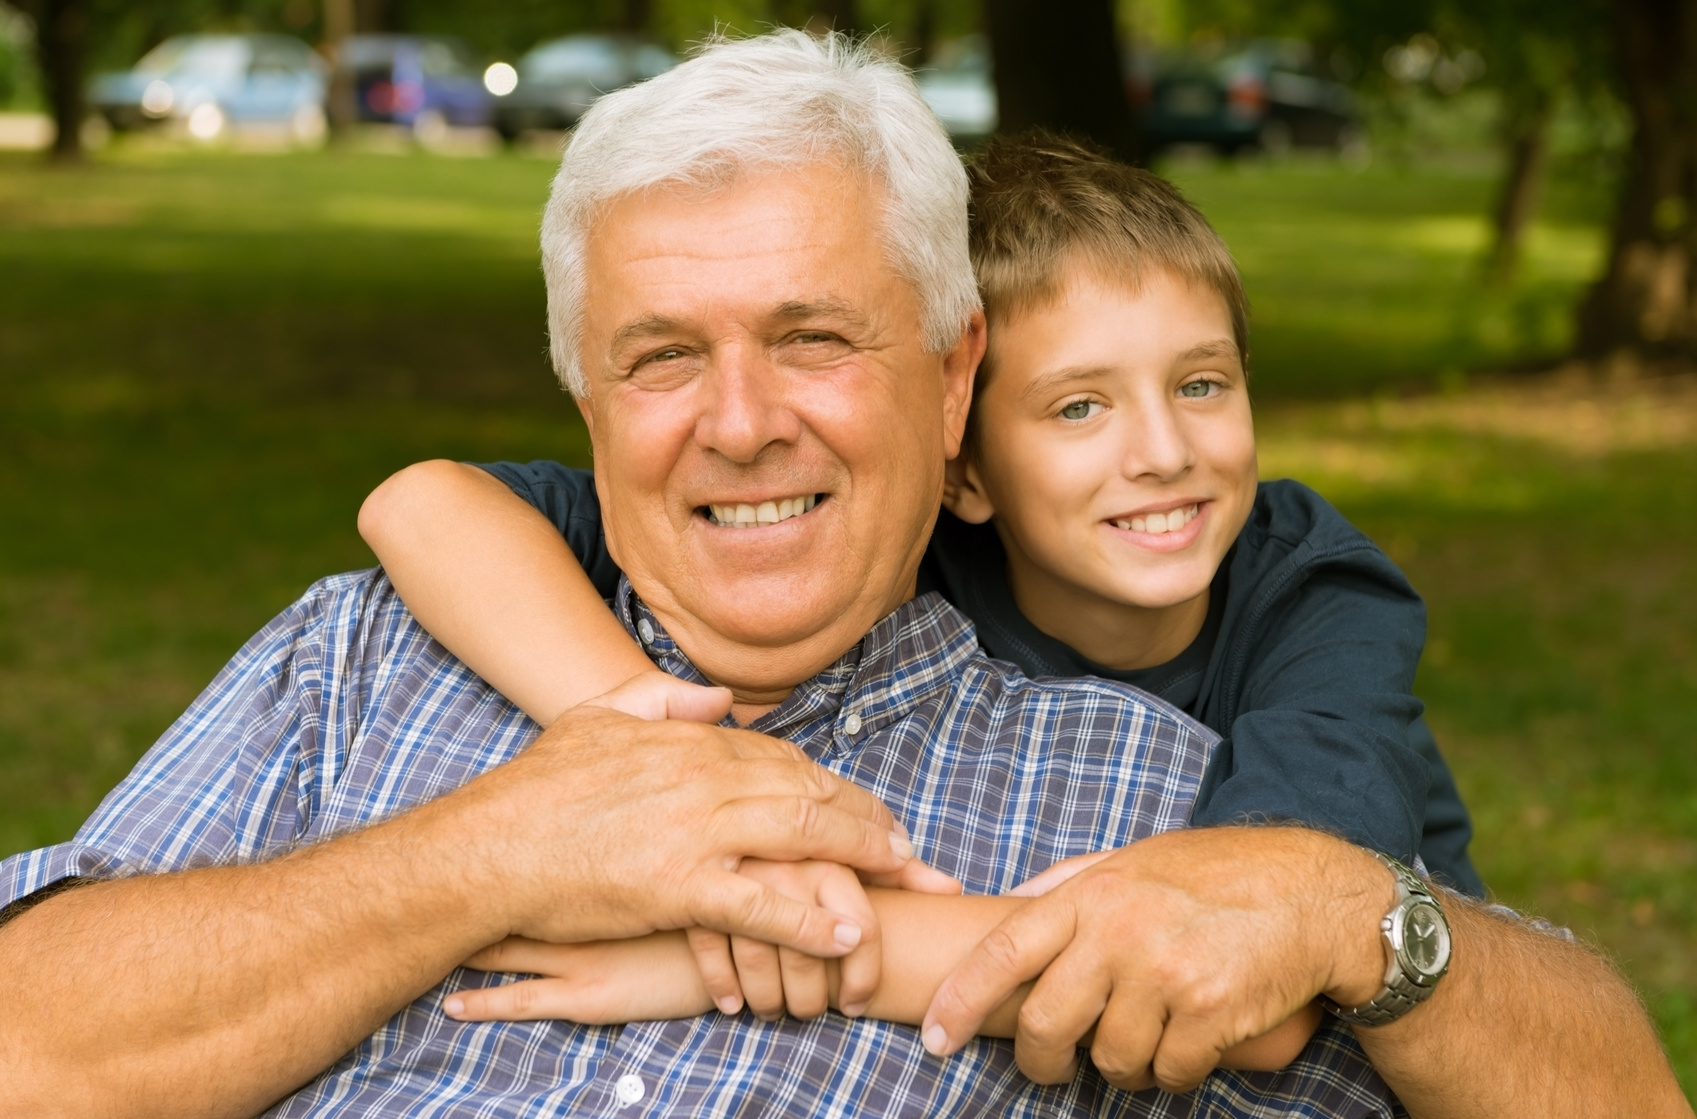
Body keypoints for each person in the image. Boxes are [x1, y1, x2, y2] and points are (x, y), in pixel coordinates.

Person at [0, 29, 1683, 1119]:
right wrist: (509, 841)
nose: (736, 422)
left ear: (952, 385)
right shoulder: (370, 654)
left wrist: (1346, 910)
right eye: (660, 356)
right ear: (584, 398)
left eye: (813, 337)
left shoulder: (1163, 792)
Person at [360, 138, 1483, 902]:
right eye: (1078, 406)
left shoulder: (1310, 593)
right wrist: (645, 748)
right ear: (959, 461)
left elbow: (1258, 910)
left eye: (1200, 385)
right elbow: (422, 505)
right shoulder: (900, 546)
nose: (1162, 452)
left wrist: (735, 948)